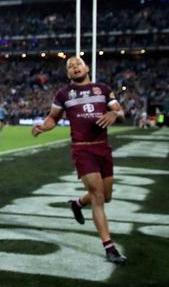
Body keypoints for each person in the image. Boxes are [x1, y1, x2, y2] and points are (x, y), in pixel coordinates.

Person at [32, 56, 126, 265]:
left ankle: (77, 204)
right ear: (68, 73)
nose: (74, 67)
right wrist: (42, 126)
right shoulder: (63, 94)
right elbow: (53, 118)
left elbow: (120, 111)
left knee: (107, 196)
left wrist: (114, 113)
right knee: (98, 195)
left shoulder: (102, 89)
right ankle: (109, 247)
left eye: (78, 64)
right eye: (70, 66)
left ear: (87, 67)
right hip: (82, 149)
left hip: (103, 148)